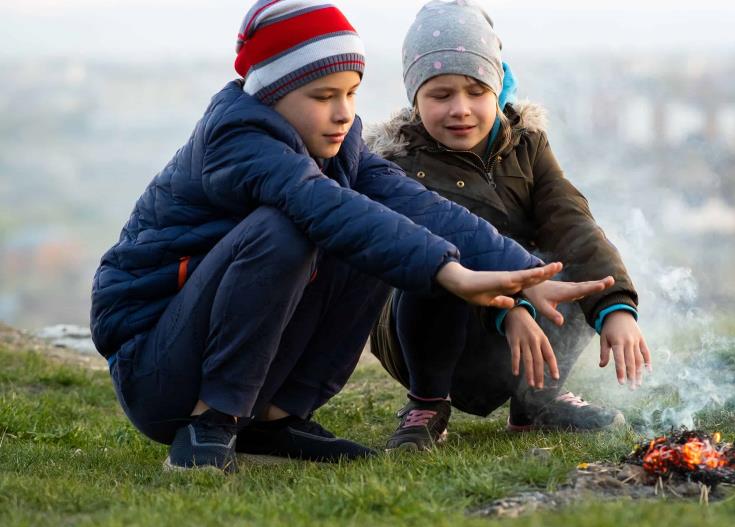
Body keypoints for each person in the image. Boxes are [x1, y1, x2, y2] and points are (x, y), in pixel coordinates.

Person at [90, 0, 607, 473]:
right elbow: (325, 207)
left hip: (203, 354)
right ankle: (211, 423)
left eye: (351, 94)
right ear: (272, 95)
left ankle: (274, 420)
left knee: (375, 230)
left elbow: (418, 205)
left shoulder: (338, 143)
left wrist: (524, 276)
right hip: (156, 373)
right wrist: (450, 272)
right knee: (290, 228)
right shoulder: (239, 136)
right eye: (323, 96)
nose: (343, 112)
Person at [367, 0, 652, 451]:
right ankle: (427, 403)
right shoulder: (398, 164)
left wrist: (615, 306)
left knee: (565, 264)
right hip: (427, 331)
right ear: (414, 96)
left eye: (476, 91)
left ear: (497, 88)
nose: (461, 109)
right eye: (440, 95)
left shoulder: (528, 146)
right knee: (432, 265)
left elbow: (571, 222)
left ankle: (537, 400)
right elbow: (452, 245)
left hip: (522, 318)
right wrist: (510, 308)